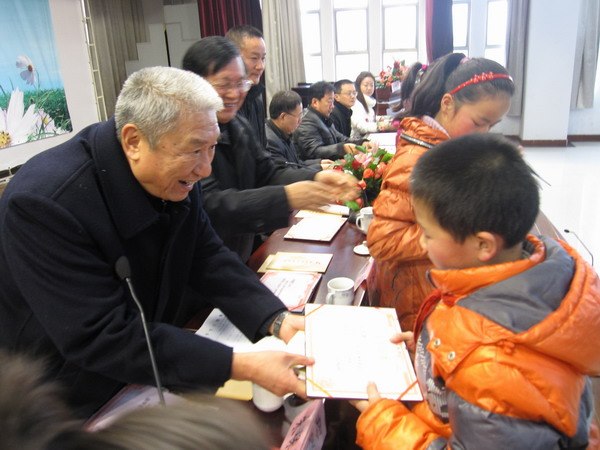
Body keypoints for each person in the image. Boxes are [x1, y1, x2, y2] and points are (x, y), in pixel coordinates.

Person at [0, 66, 314, 418]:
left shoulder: (175, 174)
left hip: (142, 367)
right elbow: (100, 335)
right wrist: (240, 365)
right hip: (58, 394)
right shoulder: (45, 203)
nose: (206, 169)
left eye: (211, 148)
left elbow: (207, 255)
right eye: (194, 150)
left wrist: (275, 318)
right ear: (134, 141)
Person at [354, 133, 600, 449]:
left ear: (483, 244)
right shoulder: (524, 275)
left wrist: (382, 425)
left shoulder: (495, 368)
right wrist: (433, 351)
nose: (422, 243)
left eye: (427, 233)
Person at [367, 53, 515, 332]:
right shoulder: (416, 161)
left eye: (492, 126)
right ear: (447, 104)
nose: (484, 134)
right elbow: (382, 240)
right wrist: (457, 235)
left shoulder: (448, 148)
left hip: (435, 286)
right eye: (479, 122)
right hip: (417, 298)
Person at [182, 37, 358, 262]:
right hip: (205, 257)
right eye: (224, 85)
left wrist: (316, 176)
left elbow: (267, 172)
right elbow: (210, 204)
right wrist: (285, 197)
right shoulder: (184, 134)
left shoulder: (238, 125)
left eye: (241, 84)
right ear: (194, 83)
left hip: (238, 249)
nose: (235, 94)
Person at [294, 81, 374, 161]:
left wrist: (361, 143)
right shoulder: (306, 122)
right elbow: (314, 152)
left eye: (333, 102)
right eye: (329, 101)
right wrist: (341, 149)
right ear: (315, 102)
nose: (332, 106)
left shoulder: (324, 117)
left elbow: (341, 138)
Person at [266, 90, 332, 171]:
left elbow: (296, 163)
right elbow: (287, 173)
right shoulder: (270, 141)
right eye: (299, 116)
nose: (300, 121)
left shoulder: (283, 132)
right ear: (283, 117)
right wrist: (320, 168)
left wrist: (320, 162)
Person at [225, 25, 267, 149]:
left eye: (263, 58)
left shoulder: (256, 99)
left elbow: (262, 149)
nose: (260, 66)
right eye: (254, 58)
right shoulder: (225, 103)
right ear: (233, 58)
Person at [350, 71, 378, 140]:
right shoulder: (356, 103)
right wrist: (380, 126)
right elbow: (361, 127)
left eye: (372, 85)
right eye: (366, 85)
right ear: (358, 86)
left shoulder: (370, 102)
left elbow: (369, 121)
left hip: (367, 138)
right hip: (357, 142)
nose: (369, 88)